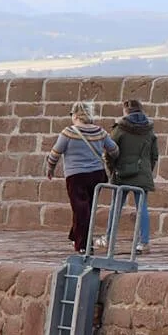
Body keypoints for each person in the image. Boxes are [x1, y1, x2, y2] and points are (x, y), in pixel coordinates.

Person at [45, 103, 118, 252]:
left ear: (76, 115)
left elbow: (55, 153)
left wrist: (50, 168)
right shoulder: (100, 131)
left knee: (80, 209)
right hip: (97, 174)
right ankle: (76, 236)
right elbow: (114, 150)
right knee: (87, 208)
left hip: (76, 175)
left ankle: (82, 245)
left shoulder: (68, 133)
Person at [110, 97, 159, 252]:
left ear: (126, 111)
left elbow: (110, 151)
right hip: (142, 172)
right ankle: (144, 242)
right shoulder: (149, 129)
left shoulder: (120, 129)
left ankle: (109, 238)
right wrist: (146, 170)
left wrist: (111, 170)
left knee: (116, 207)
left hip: (122, 173)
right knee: (142, 208)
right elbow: (154, 154)